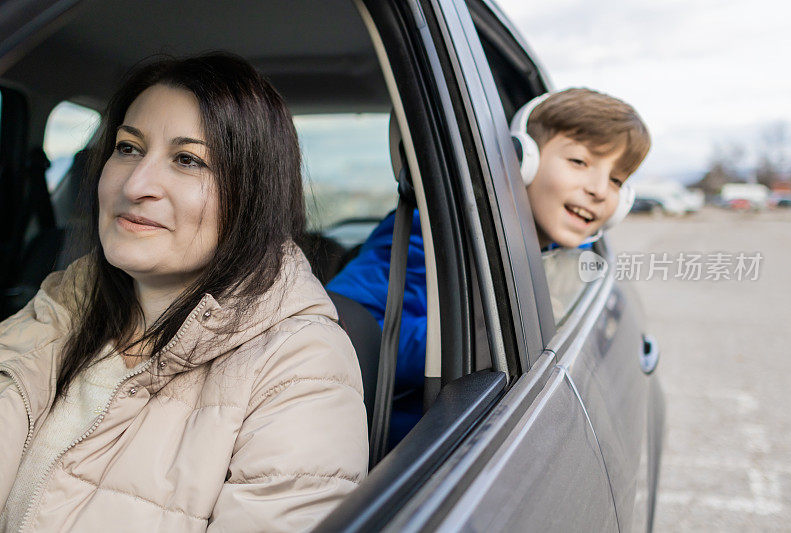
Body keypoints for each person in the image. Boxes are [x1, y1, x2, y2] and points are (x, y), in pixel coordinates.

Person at [0, 53, 367, 532]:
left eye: (188, 159)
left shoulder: (302, 367)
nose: (136, 184)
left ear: (251, 193)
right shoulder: (64, 301)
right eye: (128, 148)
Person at [327, 87, 650, 439]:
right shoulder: (436, 232)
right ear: (521, 160)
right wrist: (483, 337)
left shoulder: (567, 258)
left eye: (617, 180)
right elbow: (348, 330)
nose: (600, 190)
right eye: (579, 162)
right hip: (400, 445)